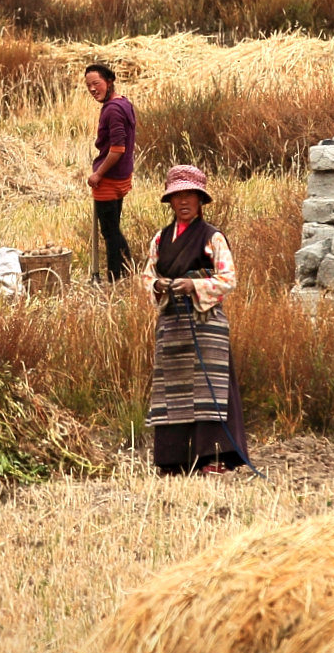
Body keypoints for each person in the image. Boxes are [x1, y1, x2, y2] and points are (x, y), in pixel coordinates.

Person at [140, 164, 251, 476]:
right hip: (171, 325)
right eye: (178, 196)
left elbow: (228, 279)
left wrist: (196, 285)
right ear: (170, 201)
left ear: (200, 200)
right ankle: (175, 461)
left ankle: (213, 459)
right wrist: (158, 286)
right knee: (172, 393)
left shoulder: (213, 237)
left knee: (209, 390)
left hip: (206, 325)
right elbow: (148, 275)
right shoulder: (160, 240)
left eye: (190, 195)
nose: (184, 201)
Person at [84, 62, 137, 282]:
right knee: (114, 229)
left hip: (109, 180)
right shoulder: (123, 103)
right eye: (88, 85)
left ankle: (116, 278)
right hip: (122, 176)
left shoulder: (114, 110)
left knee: (110, 233)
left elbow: (117, 149)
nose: (93, 89)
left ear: (109, 81)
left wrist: (98, 174)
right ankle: (126, 272)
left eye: (96, 83)